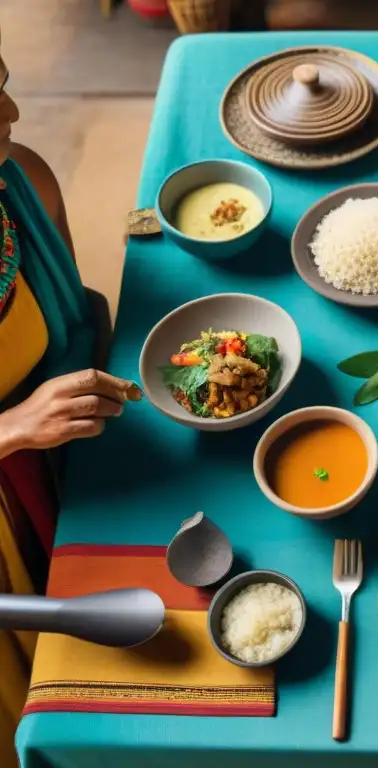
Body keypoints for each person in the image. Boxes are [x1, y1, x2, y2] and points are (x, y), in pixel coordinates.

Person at [0, 32, 140, 764]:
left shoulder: (20, 182)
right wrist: (15, 427)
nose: (12, 111)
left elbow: (81, 320)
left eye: (2, 80)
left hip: (66, 465)